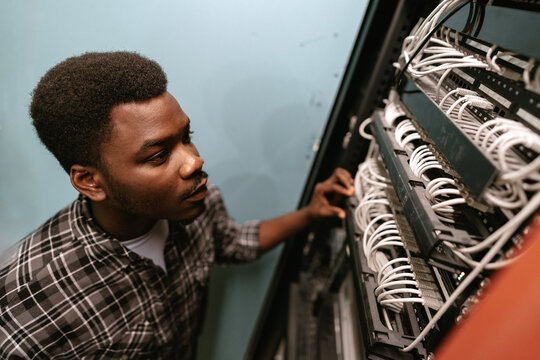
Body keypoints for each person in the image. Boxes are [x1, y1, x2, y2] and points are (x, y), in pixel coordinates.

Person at [0, 52, 354, 359]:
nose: (193, 163)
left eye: (187, 137)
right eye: (158, 155)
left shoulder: (197, 201)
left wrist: (310, 214)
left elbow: (231, 242)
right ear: (90, 182)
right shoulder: (25, 301)